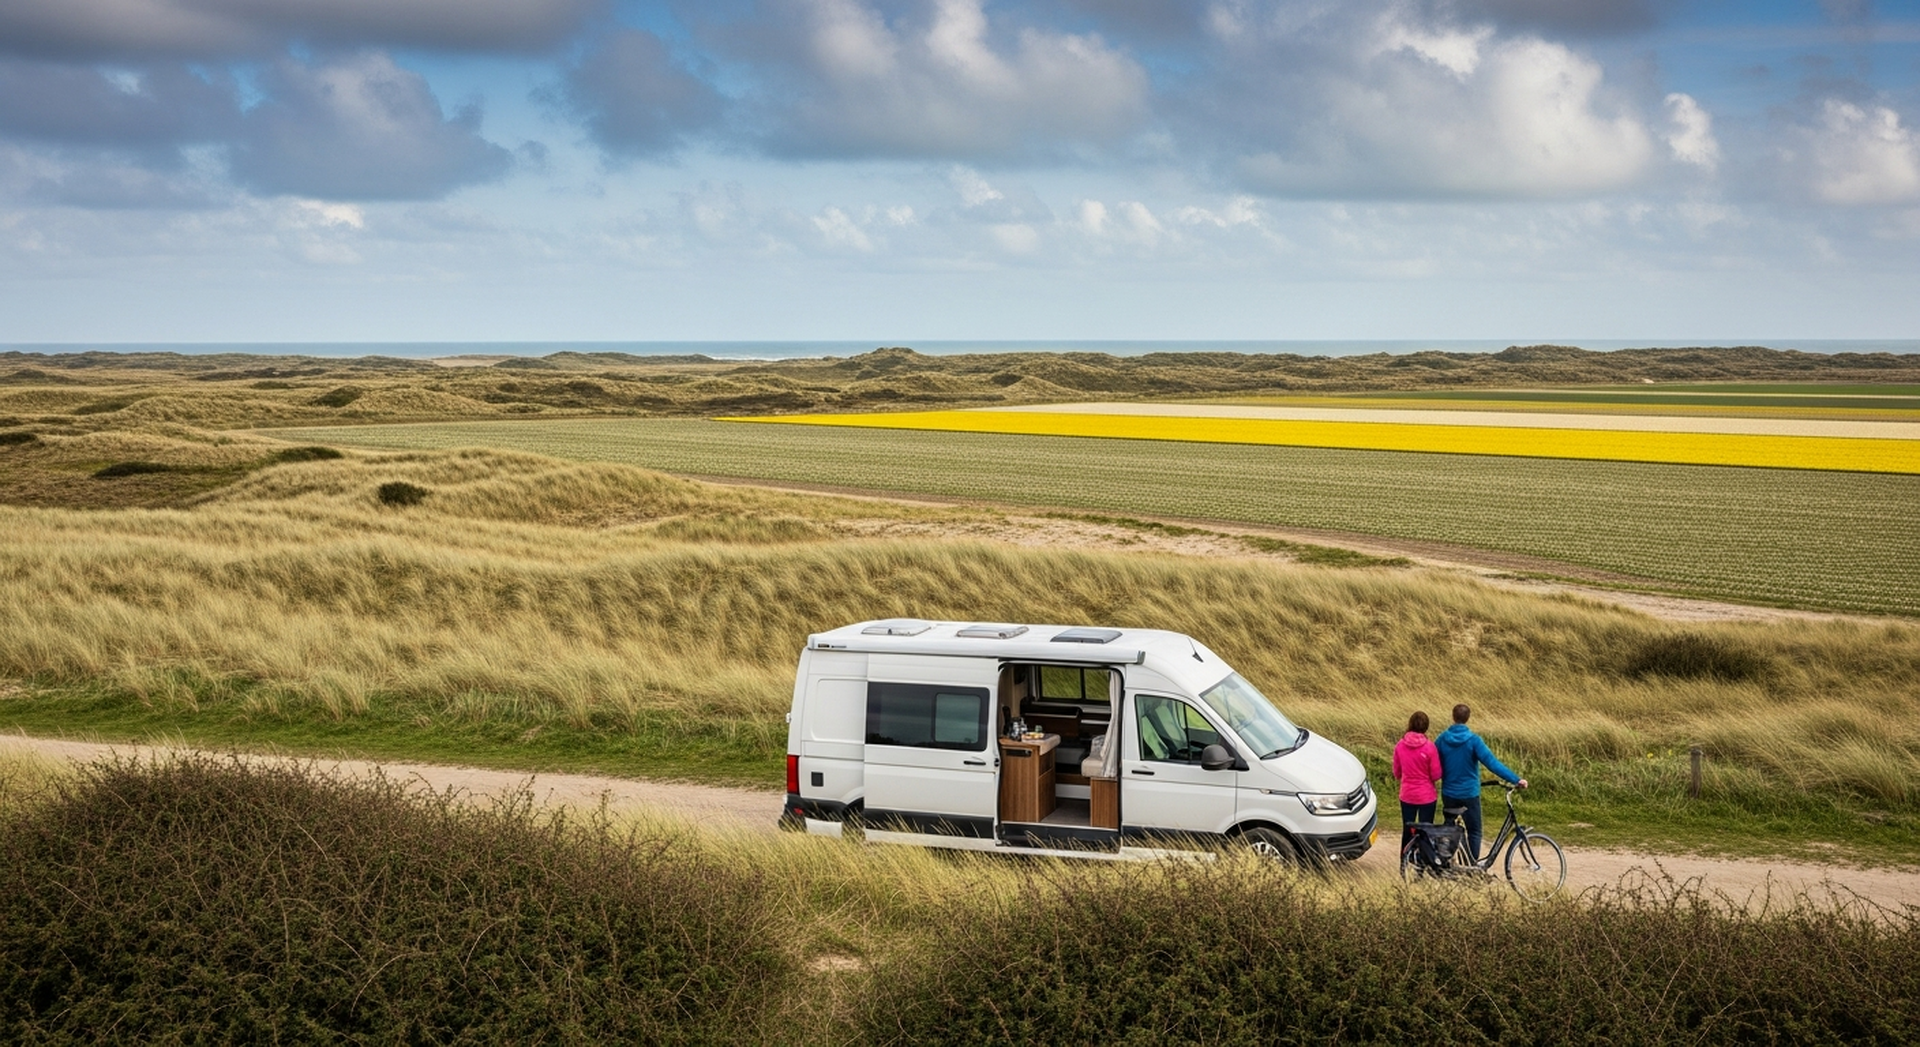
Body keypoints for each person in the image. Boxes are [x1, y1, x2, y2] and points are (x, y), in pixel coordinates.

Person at [1434, 704, 1526, 862]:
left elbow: (1434, 764)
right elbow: (1492, 763)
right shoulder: (1474, 741)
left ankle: (1443, 862)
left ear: (1453, 717)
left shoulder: (1442, 739)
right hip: (1469, 793)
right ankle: (1471, 866)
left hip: (1449, 792)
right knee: (1474, 831)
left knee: (1449, 829)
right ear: (1467, 718)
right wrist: (1516, 779)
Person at [1391, 710, 1443, 854]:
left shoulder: (1400, 745)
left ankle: (1404, 861)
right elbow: (1436, 774)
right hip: (1426, 795)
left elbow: (1396, 772)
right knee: (1425, 830)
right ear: (1426, 726)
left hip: (1407, 794)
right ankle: (1423, 862)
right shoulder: (1430, 747)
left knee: (1407, 829)